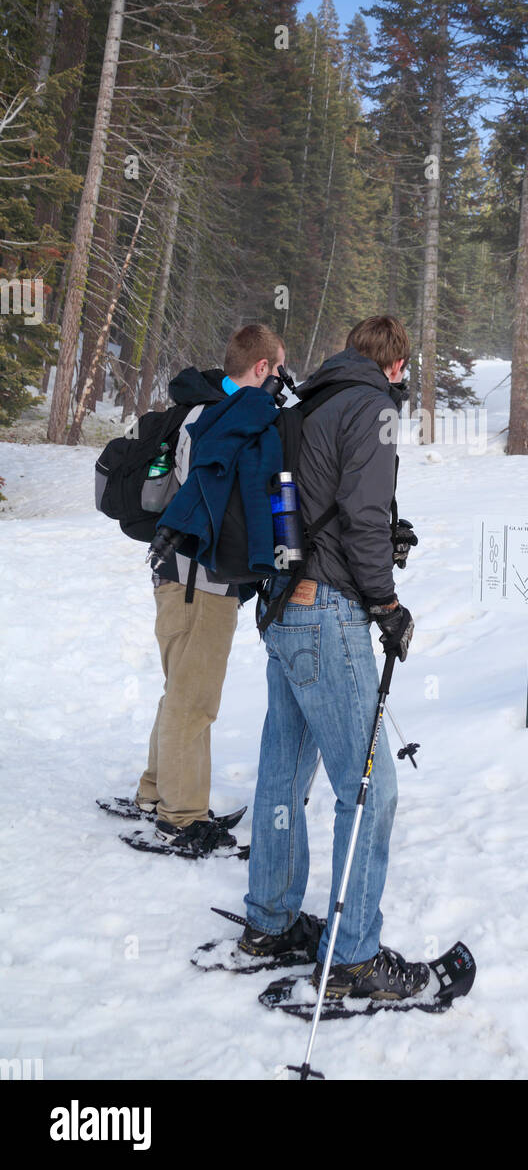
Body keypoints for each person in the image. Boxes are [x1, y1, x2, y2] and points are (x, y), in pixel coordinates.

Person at [241, 315, 425, 1000]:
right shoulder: (373, 405)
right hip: (328, 615)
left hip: (283, 606)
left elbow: (325, 503)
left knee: (283, 776)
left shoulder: (310, 399)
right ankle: (353, 959)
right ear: (397, 364)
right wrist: (386, 602)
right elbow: (364, 513)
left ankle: (270, 921)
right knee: (370, 786)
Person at [133, 323, 285, 856]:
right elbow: (210, 490)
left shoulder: (198, 410)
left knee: (180, 691)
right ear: (263, 368)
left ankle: (155, 792)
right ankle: (181, 816)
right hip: (200, 579)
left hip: (178, 575)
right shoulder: (222, 418)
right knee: (195, 701)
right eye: (279, 368)